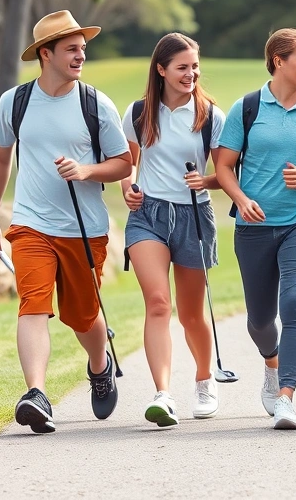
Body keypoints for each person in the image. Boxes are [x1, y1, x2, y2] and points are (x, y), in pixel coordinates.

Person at [0, 10, 132, 434]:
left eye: (83, 48)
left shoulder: (95, 103)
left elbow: (123, 163)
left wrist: (86, 170)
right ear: (45, 54)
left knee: (82, 315)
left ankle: (99, 367)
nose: (80, 55)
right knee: (33, 303)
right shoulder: (15, 101)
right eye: (71, 49)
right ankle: (36, 393)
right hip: (30, 224)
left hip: (84, 228)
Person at [214, 28, 296, 430]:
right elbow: (223, 166)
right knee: (259, 320)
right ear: (278, 61)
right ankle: (271, 362)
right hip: (254, 226)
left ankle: (286, 395)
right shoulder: (247, 108)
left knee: (294, 304)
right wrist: (239, 198)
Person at [120, 33, 226, 427]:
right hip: (147, 216)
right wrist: (127, 189)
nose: (191, 74)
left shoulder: (211, 116)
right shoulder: (137, 112)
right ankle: (163, 395)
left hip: (194, 218)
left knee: (192, 315)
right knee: (159, 304)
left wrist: (207, 182)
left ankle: (204, 379)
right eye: (182, 67)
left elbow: (228, 174)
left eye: (195, 66)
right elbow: (126, 165)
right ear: (161, 70)